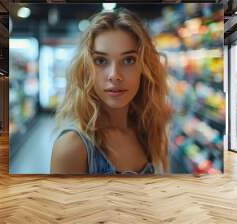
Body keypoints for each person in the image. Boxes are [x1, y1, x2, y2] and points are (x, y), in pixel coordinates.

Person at [51, 8, 172, 175]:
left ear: (144, 68)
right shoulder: (72, 148)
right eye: (101, 60)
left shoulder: (147, 129)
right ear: (86, 69)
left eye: (128, 60)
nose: (114, 75)